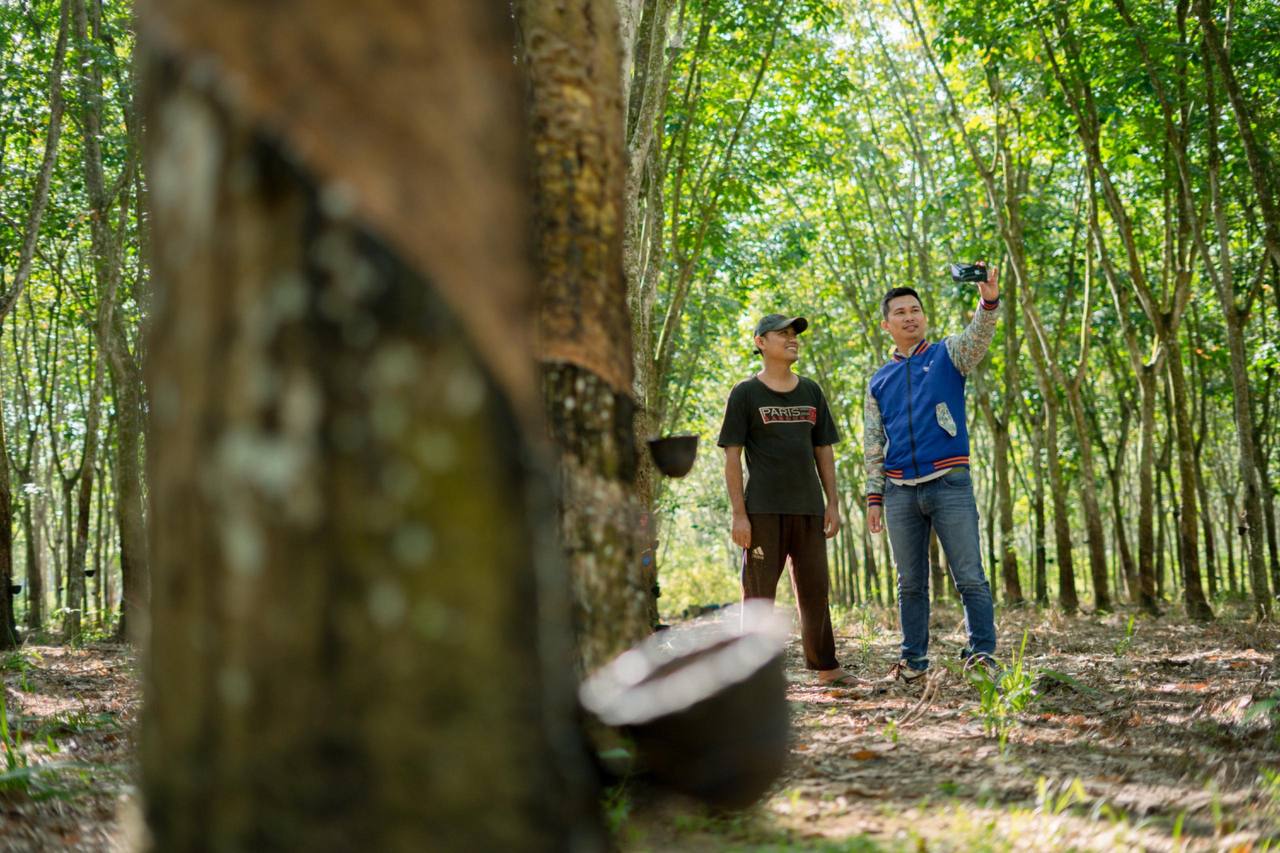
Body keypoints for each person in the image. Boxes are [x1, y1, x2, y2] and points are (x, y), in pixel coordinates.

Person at [864, 265, 1001, 683]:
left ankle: (982, 656)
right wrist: (874, 495)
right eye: (901, 312)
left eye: (916, 310)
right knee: (910, 585)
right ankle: (913, 663)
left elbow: (980, 334)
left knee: (971, 577)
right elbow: (873, 443)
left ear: (924, 316)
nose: (910, 317)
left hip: (950, 484)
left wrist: (989, 299)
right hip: (900, 492)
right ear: (886, 324)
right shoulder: (878, 381)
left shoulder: (948, 354)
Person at [718, 313, 853, 687]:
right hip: (762, 511)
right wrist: (738, 515)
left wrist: (833, 503)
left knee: (815, 591)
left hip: (808, 509)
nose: (792, 339)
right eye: (783, 334)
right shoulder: (745, 393)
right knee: (758, 594)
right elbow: (732, 457)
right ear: (761, 342)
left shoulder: (811, 391)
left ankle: (827, 668)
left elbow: (823, 450)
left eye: (794, 334)